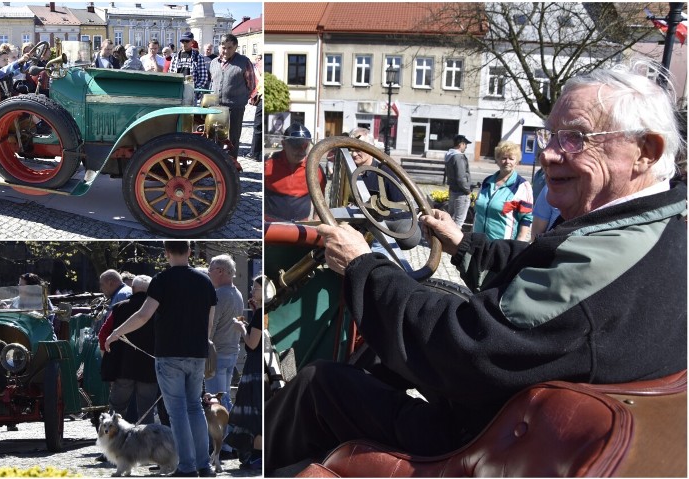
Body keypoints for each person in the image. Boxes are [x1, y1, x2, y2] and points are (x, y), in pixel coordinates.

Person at [264, 60, 686, 471]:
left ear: (645, 151)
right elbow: (538, 266)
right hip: (527, 409)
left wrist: (363, 266)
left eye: (575, 138)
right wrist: (464, 245)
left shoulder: (603, 262)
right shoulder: (654, 231)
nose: (549, 155)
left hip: (480, 436)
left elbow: (465, 345)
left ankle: (262, 454)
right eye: (550, 136)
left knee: (319, 386)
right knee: (405, 324)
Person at [105, 241, 218, 478]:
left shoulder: (161, 280)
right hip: (197, 354)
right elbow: (209, 325)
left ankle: (187, 467)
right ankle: (203, 465)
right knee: (195, 408)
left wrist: (117, 333)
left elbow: (144, 315)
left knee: (177, 413)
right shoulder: (205, 281)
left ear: (166, 254)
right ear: (190, 251)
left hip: (169, 356)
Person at [98, 275, 160, 424]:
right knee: (146, 412)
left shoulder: (119, 307)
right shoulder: (158, 309)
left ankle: (112, 443)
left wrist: (105, 355)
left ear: (132, 289)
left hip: (123, 368)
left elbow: (103, 334)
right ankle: (147, 445)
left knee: (116, 410)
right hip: (149, 369)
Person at [224, 275, 263, 470]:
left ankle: (256, 456)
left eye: (255, 288)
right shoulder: (263, 312)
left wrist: (241, 328)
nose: (252, 291)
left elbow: (252, 343)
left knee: (252, 412)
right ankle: (255, 455)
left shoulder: (260, 313)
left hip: (255, 367)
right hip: (261, 367)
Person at [204, 255, 244, 421]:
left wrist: (203, 347)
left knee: (217, 400)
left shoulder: (219, 294)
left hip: (217, 354)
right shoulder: (237, 293)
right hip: (231, 352)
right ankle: (228, 439)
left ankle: (226, 441)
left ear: (220, 271)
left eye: (210, 270)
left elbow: (210, 325)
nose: (208, 273)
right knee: (224, 397)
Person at [472, 141, 533, 241]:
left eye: (511, 159)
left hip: (502, 246)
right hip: (478, 242)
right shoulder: (487, 181)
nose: (507, 161)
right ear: (497, 159)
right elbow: (478, 211)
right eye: (504, 158)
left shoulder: (522, 186)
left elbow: (526, 218)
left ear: (517, 162)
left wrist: (518, 244)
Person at [264, 123, 326, 222]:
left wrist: (316, 225)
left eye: (305, 145)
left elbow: (320, 203)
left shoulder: (315, 169)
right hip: (271, 225)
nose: (301, 151)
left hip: (301, 226)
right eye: (296, 145)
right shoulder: (268, 163)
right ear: (284, 144)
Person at [209, 34, 256, 158]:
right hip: (217, 107)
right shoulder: (214, 62)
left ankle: (232, 164)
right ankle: (218, 164)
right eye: (223, 47)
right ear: (219, 46)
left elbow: (251, 84)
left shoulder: (244, 62)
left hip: (235, 107)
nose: (226, 51)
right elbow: (212, 82)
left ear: (235, 47)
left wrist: (241, 98)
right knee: (216, 136)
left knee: (233, 137)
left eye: (230, 48)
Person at [444, 134, 473, 228]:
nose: (466, 147)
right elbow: (461, 176)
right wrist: (467, 190)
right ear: (461, 144)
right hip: (461, 192)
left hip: (453, 189)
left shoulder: (450, 155)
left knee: (451, 217)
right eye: (465, 144)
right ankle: (453, 241)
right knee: (459, 220)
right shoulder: (459, 157)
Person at [170, 32, 209, 97]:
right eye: (182, 41)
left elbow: (203, 77)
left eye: (187, 41)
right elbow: (171, 74)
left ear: (192, 42)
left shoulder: (198, 57)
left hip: (191, 92)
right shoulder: (175, 57)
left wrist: (195, 89)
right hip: (177, 90)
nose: (184, 43)